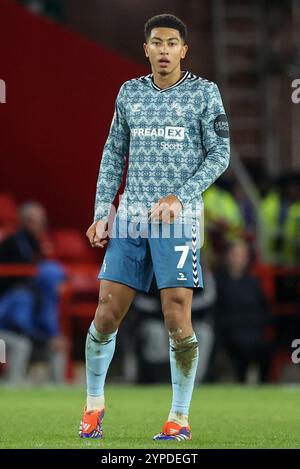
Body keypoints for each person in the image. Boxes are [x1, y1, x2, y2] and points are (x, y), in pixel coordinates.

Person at [79, 14, 230, 441]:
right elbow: (113, 156)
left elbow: (219, 154)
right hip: (129, 219)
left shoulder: (204, 93)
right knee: (107, 313)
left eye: (172, 43)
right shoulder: (129, 93)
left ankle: (179, 417)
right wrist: (100, 211)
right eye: (156, 43)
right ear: (146, 49)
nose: (164, 50)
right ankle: (93, 407)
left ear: (184, 50)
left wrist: (179, 196)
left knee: (176, 315)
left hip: (177, 222)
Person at [0, 201, 67, 384]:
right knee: (22, 345)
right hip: (7, 332)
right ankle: (13, 388)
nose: (60, 287)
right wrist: (44, 338)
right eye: (58, 282)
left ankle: (58, 391)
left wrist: (53, 337)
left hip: (28, 333)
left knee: (58, 344)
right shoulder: (22, 294)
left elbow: (48, 320)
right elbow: (19, 324)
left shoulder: (44, 297)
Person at [214, 240, 273, 383]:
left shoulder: (253, 282)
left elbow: (265, 310)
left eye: (242, 255)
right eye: (235, 254)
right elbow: (217, 312)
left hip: (253, 331)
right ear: (227, 256)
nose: (239, 259)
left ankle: (263, 385)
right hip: (229, 332)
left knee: (267, 347)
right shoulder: (218, 281)